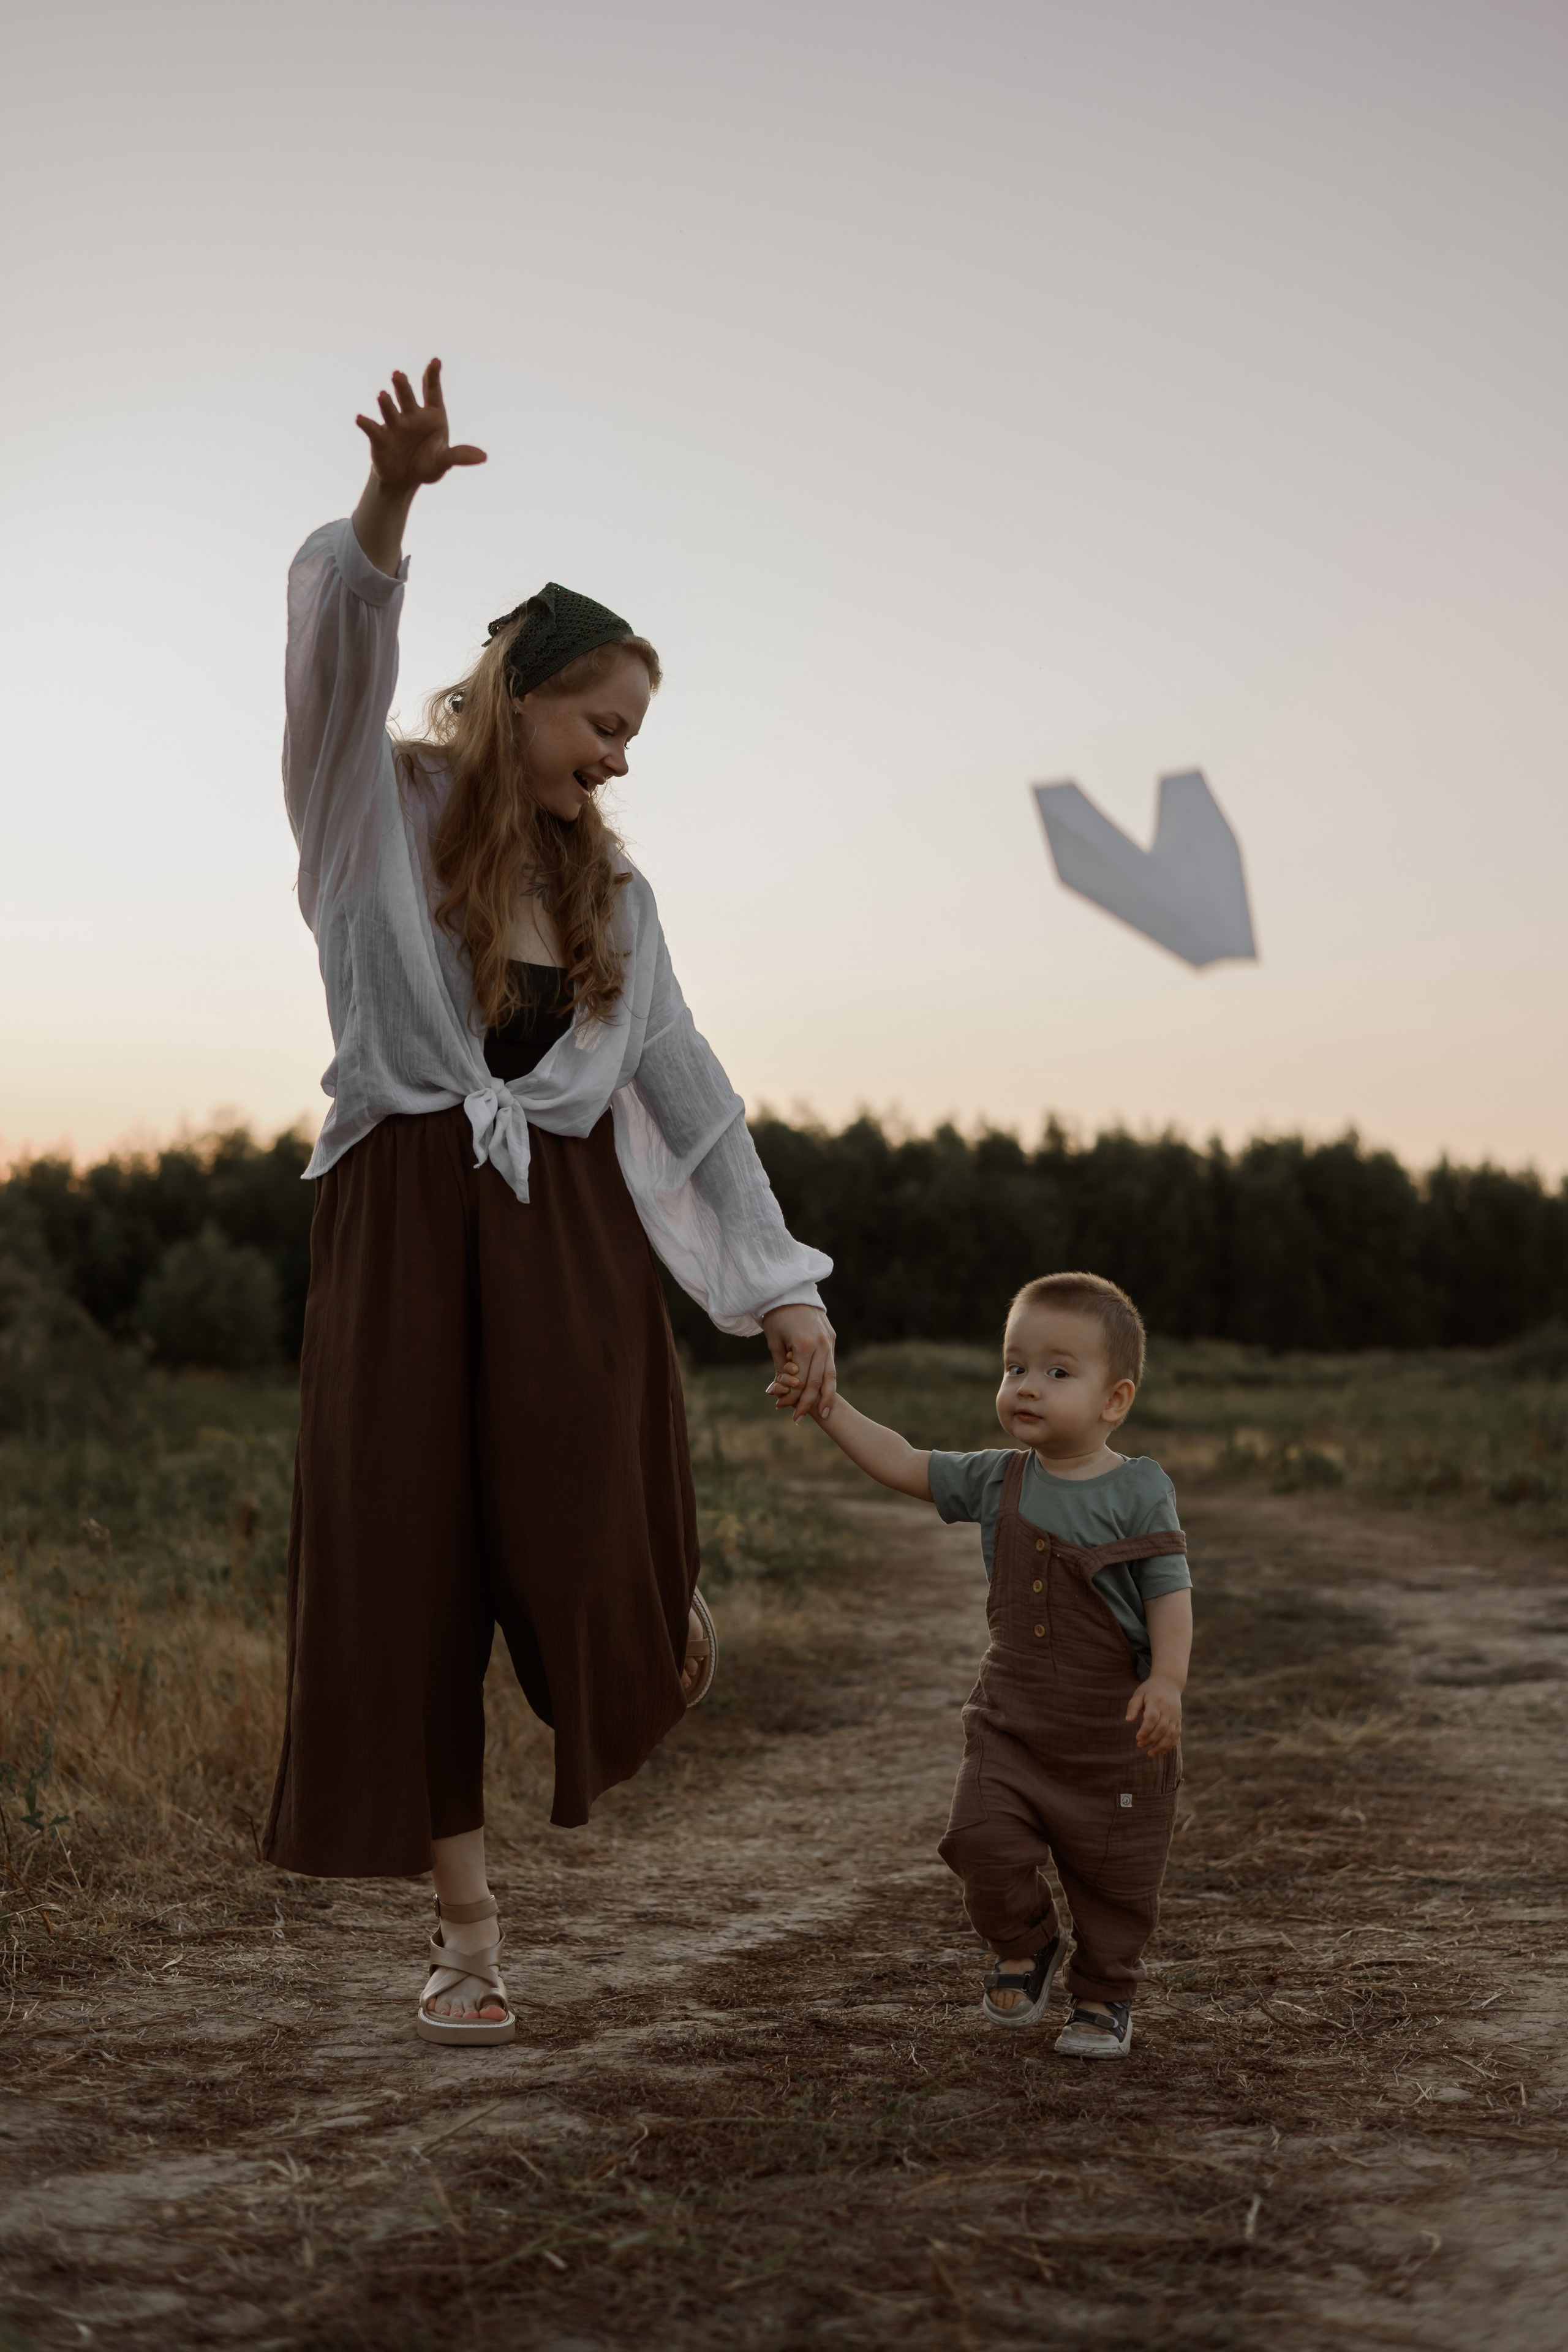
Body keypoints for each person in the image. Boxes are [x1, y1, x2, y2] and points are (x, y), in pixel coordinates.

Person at [262, 360, 838, 2046]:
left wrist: (782, 1285)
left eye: (636, 737)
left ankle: (648, 1599)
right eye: (606, 725)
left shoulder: (618, 901)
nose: (622, 762)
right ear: (515, 699)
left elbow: (691, 1093)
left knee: (596, 1508)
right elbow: (335, 644)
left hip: (565, 1235)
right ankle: (468, 1937)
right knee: (404, 1567)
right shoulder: (368, 811)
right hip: (397, 1223)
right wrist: (393, 504)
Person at [775, 1270, 1191, 2059]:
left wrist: (1165, 1680)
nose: (1026, 1386)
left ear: (1115, 1400)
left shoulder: (1139, 1491)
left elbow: (1170, 1594)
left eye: (1057, 1372)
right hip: (1011, 1722)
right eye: (1014, 1367)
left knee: (1115, 1880)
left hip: (1113, 1737)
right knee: (978, 1840)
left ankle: (1104, 1994)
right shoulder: (995, 1477)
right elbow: (900, 1460)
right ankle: (1028, 1940)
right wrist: (827, 1406)